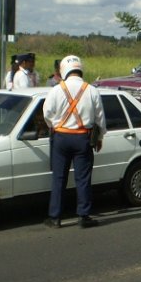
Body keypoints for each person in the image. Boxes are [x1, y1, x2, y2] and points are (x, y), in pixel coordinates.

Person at [43, 55, 107, 228]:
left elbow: (47, 113)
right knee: (83, 178)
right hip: (83, 138)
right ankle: (83, 216)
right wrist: (100, 138)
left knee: (58, 178)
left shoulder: (56, 89)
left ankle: (55, 218)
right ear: (80, 69)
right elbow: (100, 118)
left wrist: (55, 126)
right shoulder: (91, 90)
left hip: (61, 138)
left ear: (64, 70)